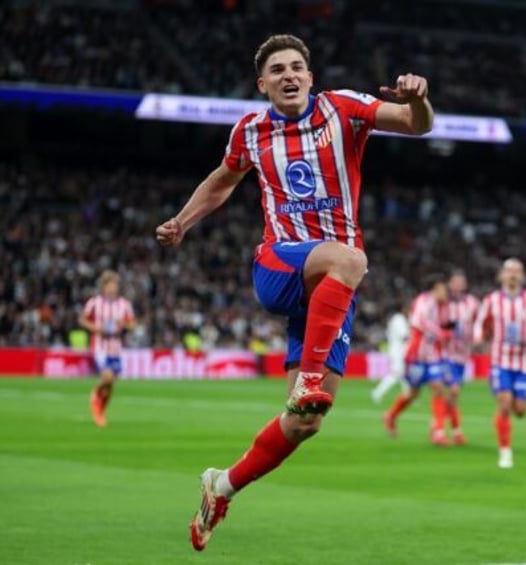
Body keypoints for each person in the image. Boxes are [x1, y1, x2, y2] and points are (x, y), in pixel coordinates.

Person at [154, 34, 433, 551]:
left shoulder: (343, 110)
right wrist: (183, 222)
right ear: (263, 85)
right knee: (352, 258)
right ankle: (308, 380)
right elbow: (221, 181)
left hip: (332, 287)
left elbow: (416, 125)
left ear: (310, 76)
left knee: (304, 423)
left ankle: (221, 487)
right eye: (278, 69)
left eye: (297, 67)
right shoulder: (251, 131)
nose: (289, 75)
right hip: (280, 264)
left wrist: (416, 99)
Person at [473, 258, 526, 468]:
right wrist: (478, 336)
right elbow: (480, 322)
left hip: (523, 363)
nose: (513, 274)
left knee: (521, 410)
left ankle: (505, 424)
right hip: (500, 361)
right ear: (502, 275)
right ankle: (505, 452)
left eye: (517, 271)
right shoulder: (491, 300)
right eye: (509, 271)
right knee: (505, 403)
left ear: (523, 276)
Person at [383, 275, 452, 445]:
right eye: (444, 289)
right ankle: (391, 416)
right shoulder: (424, 301)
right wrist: (441, 333)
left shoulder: (440, 305)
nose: (446, 293)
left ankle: (438, 431)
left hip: (433, 356)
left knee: (438, 388)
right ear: (436, 288)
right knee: (413, 393)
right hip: (416, 356)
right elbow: (419, 322)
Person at [78, 270, 136, 427]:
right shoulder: (95, 303)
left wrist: (123, 324)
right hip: (100, 346)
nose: (112, 288)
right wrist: (96, 328)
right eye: (109, 285)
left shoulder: (124, 305)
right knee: (107, 377)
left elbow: (132, 324)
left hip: (116, 348)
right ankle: (95, 394)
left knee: (110, 385)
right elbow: (82, 320)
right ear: (103, 287)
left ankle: (100, 411)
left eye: (115, 285)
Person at [442, 271, 479, 445]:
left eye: (461, 282)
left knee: (453, 396)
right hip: (445, 353)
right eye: (455, 281)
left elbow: (479, 322)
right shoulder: (443, 303)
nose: (458, 285)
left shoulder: (472, 303)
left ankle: (453, 430)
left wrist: (477, 335)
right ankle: (444, 429)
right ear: (449, 284)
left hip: (463, 356)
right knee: (453, 390)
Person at [370, 304, 411, 404]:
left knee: (403, 375)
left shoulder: (397, 319)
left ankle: (409, 395)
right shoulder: (399, 319)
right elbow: (404, 336)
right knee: (396, 374)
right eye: (408, 308)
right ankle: (377, 392)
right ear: (403, 309)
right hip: (397, 352)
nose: (410, 311)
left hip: (397, 350)